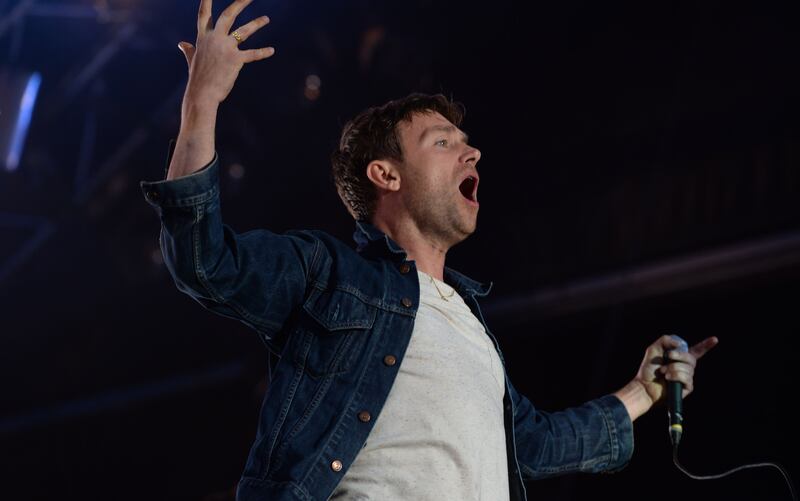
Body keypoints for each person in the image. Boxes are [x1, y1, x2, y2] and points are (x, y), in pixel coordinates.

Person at [140, 1, 719, 500]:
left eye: (467, 145)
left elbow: (535, 444)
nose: (472, 155)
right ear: (385, 175)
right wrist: (203, 105)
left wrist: (643, 391)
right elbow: (206, 261)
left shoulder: (471, 326)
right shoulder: (331, 274)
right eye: (443, 143)